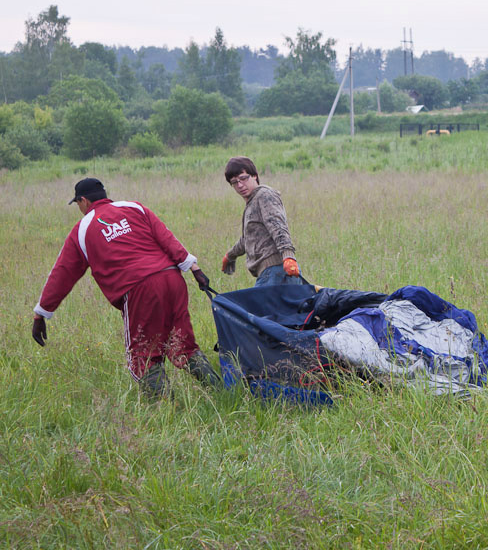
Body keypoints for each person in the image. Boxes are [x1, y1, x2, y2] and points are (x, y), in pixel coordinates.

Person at [31, 177, 222, 399]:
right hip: (172, 279)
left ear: (82, 201)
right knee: (183, 344)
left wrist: (41, 313)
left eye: (78, 204)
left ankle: (163, 410)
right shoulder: (134, 207)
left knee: (143, 353)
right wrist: (194, 268)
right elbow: (166, 237)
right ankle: (220, 392)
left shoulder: (82, 228)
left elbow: (63, 273)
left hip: (139, 288)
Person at [221, 157, 303, 287]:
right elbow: (248, 239)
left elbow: (278, 226)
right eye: (234, 182)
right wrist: (230, 255)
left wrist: (288, 256)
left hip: (276, 272)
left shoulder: (264, 195)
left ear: (254, 176)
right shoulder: (252, 202)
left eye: (243, 178)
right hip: (270, 273)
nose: (240, 185)